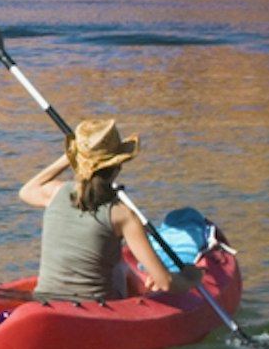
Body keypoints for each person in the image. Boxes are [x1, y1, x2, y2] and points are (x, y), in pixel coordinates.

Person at [14, 116, 177, 303]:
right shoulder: (123, 215)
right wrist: (193, 277)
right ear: (118, 165)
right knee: (120, 264)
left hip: (46, 300)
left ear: (76, 162)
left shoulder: (55, 193)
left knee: (117, 260)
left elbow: (26, 191)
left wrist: (68, 157)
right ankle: (141, 291)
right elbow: (166, 283)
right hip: (95, 308)